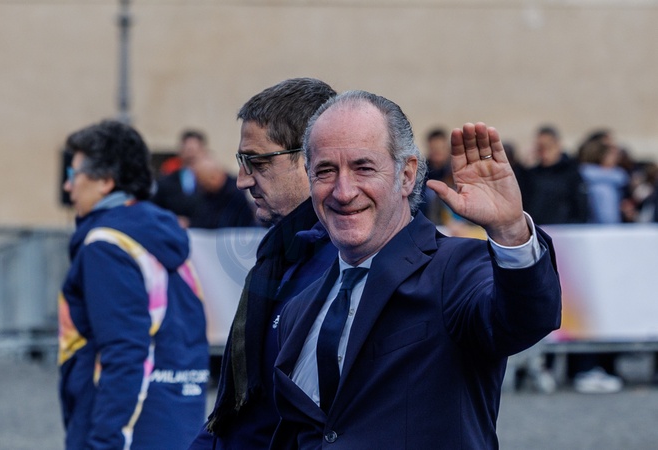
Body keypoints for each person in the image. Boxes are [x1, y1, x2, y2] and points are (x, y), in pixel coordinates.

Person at [272, 91, 562, 448]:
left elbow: (526, 320)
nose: (343, 192)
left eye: (364, 168)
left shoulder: (455, 270)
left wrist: (510, 231)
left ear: (407, 175)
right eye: (326, 171)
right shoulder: (298, 310)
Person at [188, 77, 338, 449]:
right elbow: (239, 416)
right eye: (242, 162)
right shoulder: (278, 254)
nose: (242, 180)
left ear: (313, 159)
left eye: (257, 162)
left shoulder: (344, 265)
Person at [58, 120, 210, 449]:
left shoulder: (107, 245)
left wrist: (104, 441)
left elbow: (124, 353)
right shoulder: (160, 236)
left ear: (105, 181)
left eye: (73, 174)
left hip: (129, 431)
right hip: (175, 421)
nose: (68, 187)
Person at [152, 129, 257, 229]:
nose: (191, 155)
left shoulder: (227, 185)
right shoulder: (166, 183)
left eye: (194, 150)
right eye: (188, 150)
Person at [521, 125, 589, 224]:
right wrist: (523, 167)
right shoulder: (532, 173)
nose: (544, 152)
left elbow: (580, 205)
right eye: (540, 148)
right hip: (538, 227)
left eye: (548, 147)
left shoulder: (571, 171)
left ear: (557, 145)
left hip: (564, 227)